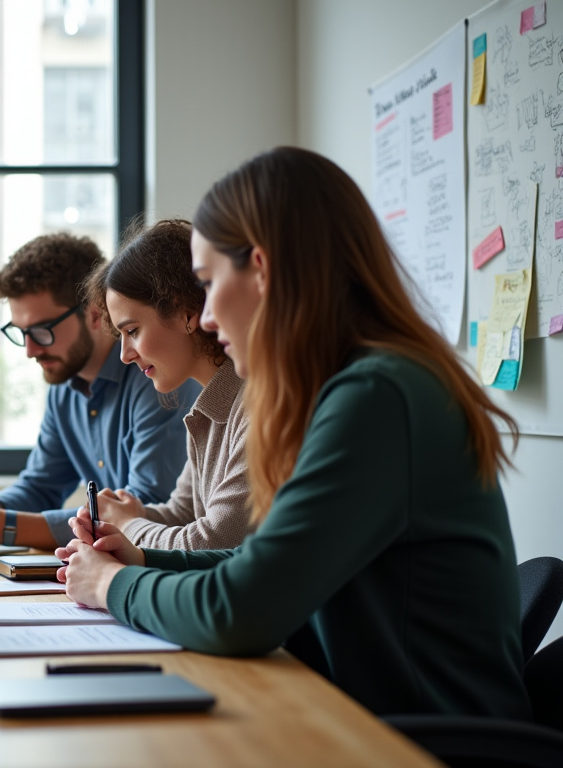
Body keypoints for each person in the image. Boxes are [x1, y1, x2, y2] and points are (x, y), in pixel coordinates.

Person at [58, 147, 531, 719]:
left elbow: (242, 609)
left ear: (261, 270)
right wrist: (141, 562)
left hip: (419, 742)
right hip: (370, 719)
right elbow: (258, 565)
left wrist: (111, 585)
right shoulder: (357, 386)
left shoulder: (377, 397)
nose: (206, 317)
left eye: (209, 283)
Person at [0, 232, 197, 550]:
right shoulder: (65, 388)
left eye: (41, 331)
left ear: (94, 314)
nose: (30, 351)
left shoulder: (157, 378)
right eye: (21, 334)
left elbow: (146, 508)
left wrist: (3, 526)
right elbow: (40, 488)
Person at [86, 218, 251, 550]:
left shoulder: (256, 403)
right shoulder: (210, 404)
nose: (124, 355)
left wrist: (126, 525)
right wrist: (124, 516)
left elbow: (213, 540)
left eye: (132, 331)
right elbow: (183, 512)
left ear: (185, 314)